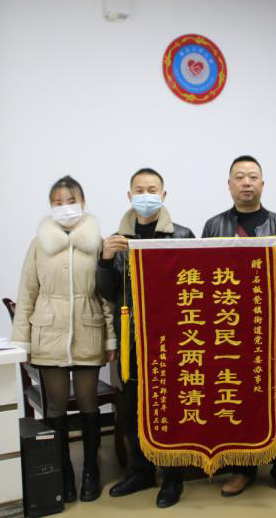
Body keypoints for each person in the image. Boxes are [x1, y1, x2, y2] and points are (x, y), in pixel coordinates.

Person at [201, 155, 276, 502]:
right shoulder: (213, 226)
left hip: (272, 328)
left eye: (253, 177)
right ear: (229, 185)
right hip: (231, 329)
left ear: (263, 184)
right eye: (240, 177)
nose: (246, 182)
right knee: (238, 396)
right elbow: (205, 278)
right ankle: (241, 468)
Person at [11, 175, 117, 503]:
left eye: (70, 201)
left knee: (87, 402)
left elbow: (106, 296)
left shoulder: (98, 242)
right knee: (56, 405)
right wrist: (21, 342)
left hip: (88, 330)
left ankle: (91, 471)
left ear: (83, 203)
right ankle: (64, 473)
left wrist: (111, 339)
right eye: (57, 202)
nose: (65, 207)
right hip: (48, 334)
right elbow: (27, 293)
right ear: (50, 206)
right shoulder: (38, 244)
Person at [96, 167, 194, 508]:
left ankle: (173, 477)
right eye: (140, 190)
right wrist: (105, 261)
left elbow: (193, 285)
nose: (146, 195)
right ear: (129, 196)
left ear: (163, 195)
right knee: (134, 407)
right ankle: (141, 471)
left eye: (153, 189)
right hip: (132, 337)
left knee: (171, 406)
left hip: (173, 338)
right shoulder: (116, 240)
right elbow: (106, 292)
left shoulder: (182, 235)